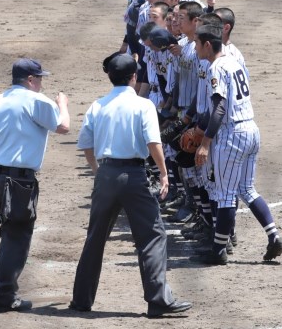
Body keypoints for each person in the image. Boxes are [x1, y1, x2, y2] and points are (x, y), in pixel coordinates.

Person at [69, 53, 191, 319]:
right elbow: (153, 143)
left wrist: (97, 171)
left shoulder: (98, 105)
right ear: (134, 77)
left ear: (110, 77)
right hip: (134, 176)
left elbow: (86, 145)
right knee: (152, 236)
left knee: (95, 238)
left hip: (107, 174)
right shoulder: (142, 105)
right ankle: (158, 300)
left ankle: (81, 300)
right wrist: (163, 173)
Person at [191, 24, 282, 265]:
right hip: (251, 130)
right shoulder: (234, 62)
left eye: (196, 43)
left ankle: (218, 251)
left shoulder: (216, 68)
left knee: (224, 195)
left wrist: (205, 143)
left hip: (231, 134)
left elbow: (220, 108)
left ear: (207, 45)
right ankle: (273, 236)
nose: (195, 48)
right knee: (246, 189)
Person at [0, 58, 70, 312]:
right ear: (30, 80)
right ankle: (5, 295)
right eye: (40, 79)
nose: (41, 84)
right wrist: (62, 104)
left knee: (11, 231)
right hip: (18, 180)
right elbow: (63, 126)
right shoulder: (35, 101)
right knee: (18, 235)